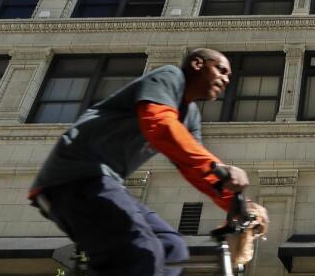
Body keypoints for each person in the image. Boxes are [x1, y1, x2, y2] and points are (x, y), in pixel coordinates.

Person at [30, 48, 254, 276]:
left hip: (104, 182)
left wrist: (242, 207)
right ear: (198, 64)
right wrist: (221, 168)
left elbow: (196, 167)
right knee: (141, 250)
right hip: (73, 177)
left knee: (171, 247)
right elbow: (159, 125)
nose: (226, 80)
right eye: (221, 70)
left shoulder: (190, 116)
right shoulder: (169, 77)